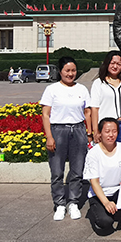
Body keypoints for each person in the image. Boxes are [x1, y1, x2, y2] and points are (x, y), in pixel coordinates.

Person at [40, 56, 91, 221]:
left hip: (78, 130)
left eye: (73, 70)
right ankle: (60, 203)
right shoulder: (52, 89)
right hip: (58, 130)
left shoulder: (82, 89)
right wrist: (49, 136)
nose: (70, 74)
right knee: (57, 171)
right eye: (67, 70)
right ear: (60, 71)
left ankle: (73, 202)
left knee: (77, 170)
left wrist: (89, 133)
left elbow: (87, 112)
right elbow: (45, 114)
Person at [83, 118, 121, 234]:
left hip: (118, 191)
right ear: (100, 133)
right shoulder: (93, 153)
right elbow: (94, 182)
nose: (111, 135)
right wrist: (106, 202)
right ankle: (101, 211)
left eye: (114, 131)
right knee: (105, 222)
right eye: (107, 131)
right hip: (100, 194)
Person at [89, 51, 121, 145]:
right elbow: (94, 108)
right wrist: (96, 130)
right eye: (112, 63)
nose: (115, 66)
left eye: (119, 64)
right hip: (106, 126)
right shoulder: (99, 83)